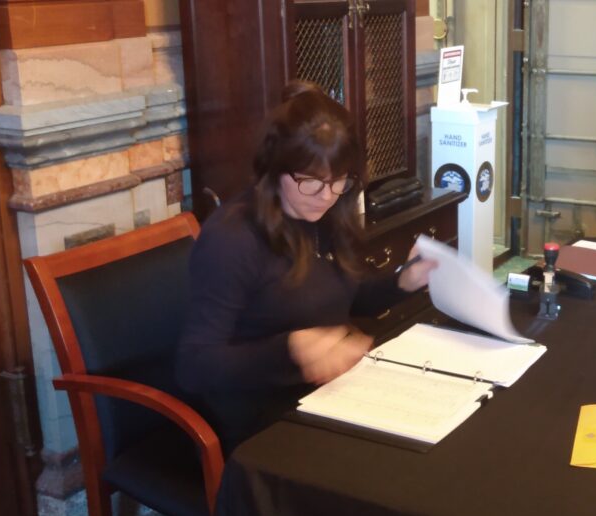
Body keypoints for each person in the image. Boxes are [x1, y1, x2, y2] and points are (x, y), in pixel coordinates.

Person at [176, 80, 435, 453]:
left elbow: (345, 294)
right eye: (311, 183)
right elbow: (193, 366)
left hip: (322, 394)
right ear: (275, 168)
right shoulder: (233, 239)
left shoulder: (323, 212)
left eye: (339, 182)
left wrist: (403, 282)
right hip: (257, 419)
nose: (326, 197)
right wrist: (290, 347)